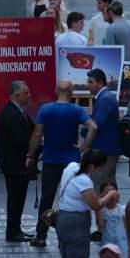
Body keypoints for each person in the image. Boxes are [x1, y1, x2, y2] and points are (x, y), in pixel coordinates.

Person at [26, 81, 97, 247]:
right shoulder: (77, 110)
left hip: (51, 160)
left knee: (47, 199)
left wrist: (30, 155)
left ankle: (41, 236)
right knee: (70, 198)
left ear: (56, 90)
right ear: (71, 91)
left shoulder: (46, 109)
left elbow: (37, 134)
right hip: (71, 161)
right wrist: (83, 147)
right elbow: (93, 126)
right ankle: (69, 236)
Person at [55, 149, 117, 258]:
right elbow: (96, 205)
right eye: (99, 168)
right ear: (92, 166)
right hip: (76, 224)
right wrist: (110, 195)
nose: (98, 171)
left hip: (63, 218)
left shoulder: (71, 167)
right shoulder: (83, 180)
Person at [0, 81, 35, 243]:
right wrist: (36, 145)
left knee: (19, 198)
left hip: (19, 165)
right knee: (15, 199)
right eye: (26, 93)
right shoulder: (10, 113)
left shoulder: (20, 112)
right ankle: (12, 232)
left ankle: (16, 229)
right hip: (14, 165)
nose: (29, 95)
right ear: (17, 95)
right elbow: (19, 140)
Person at [86, 69, 120, 187]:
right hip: (108, 150)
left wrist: (84, 142)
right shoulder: (106, 97)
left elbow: (96, 125)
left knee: (100, 185)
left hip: (103, 151)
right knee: (108, 184)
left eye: (90, 82)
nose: (87, 85)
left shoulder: (105, 99)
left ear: (100, 83)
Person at [98, 181, 129, 258]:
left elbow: (127, 229)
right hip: (108, 244)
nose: (111, 196)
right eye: (107, 193)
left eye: (112, 192)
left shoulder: (122, 209)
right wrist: (98, 205)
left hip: (122, 244)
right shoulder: (102, 211)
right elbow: (100, 224)